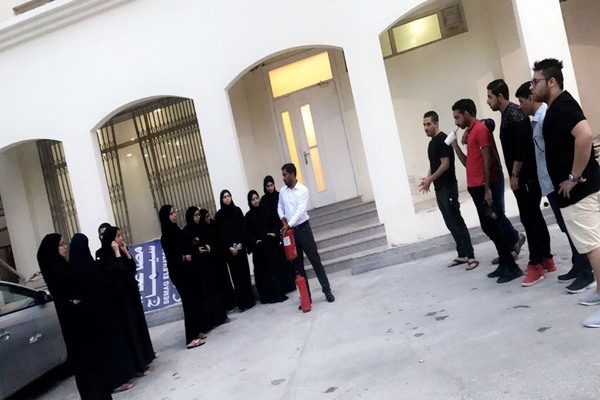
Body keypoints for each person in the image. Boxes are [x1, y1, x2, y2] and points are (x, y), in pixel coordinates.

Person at [530, 58, 600, 327]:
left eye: (535, 81)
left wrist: (574, 176)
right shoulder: (556, 107)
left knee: (592, 246)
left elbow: (585, 135)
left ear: (551, 82)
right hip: (579, 191)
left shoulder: (563, 106)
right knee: (593, 243)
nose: (532, 87)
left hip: (580, 191)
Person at [516, 81, 595, 293]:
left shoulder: (547, 117)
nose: (520, 106)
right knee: (567, 228)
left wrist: (573, 176)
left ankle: (586, 272)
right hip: (549, 182)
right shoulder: (538, 120)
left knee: (576, 230)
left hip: (557, 183)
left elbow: (579, 139)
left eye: (522, 101)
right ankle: (578, 266)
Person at [486, 79, 554, 287]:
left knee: (530, 219)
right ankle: (546, 258)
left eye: (490, 96)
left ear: (500, 96)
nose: (487, 101)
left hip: (526, 178)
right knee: (534, 217)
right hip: (525, 177)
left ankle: (536, 264)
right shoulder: (509, 114)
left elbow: (521, 149)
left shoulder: (514, 115)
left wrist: (515, 175)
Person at [450, 99, 523, 283]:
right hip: (475, 186)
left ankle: (511, 266)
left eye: (457, 117)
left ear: (466, 113)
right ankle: (504, 263)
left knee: (494, 225)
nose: (456, 122)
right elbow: (468, 163)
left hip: (483, 186)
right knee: (488, 226)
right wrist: (455, 146)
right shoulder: (471, 132)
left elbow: (487, 160)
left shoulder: (480, 129)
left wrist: (487, 188)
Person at [37, 234, 116, 399]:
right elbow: (69, 293)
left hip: (82, 319)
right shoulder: (55, 269)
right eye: (61, 244)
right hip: (75, 323)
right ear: (53, 249)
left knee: (93, 360)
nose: (65, 247)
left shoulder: (63, 265)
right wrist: (76, 298)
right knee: (86, 362)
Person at [69, 233, 137, 394]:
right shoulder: (85, 268)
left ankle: (117, 378)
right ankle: (115, 382)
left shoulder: (80, 267)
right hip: (99, 316)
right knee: (108, 349)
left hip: (101, 314)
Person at [418, 111, 478, 270]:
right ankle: (462, 254)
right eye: (424, 125)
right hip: (439, 189)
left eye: (428, 124)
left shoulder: (443, 140)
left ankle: (471, 256)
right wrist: (428, 179)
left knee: (456, 221)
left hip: (448, 187)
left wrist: (430, 179)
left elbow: (445, 165)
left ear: (436, 123)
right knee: (450, 223)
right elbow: (434, 164)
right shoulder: (432, 143)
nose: (426, 127)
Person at [98, 226, 156, 370]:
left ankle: (147, 356)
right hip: (121, 298)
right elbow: (119, 271)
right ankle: (139, 364)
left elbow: (132, 268)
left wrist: (125, 252)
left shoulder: (122, 251)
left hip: (131, 293)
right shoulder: (105, 256)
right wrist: (117, 253)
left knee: (139, 325)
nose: (121, 238)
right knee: (131, 329)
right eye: (118, 236)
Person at [278, 163, 335, 302]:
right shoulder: (283, 191)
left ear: (292, 174)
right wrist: (283, 218)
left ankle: (327, 290)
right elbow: (279, 206)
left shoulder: (303, 190)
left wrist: (289, 224)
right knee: (298, 266)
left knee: (315, 261)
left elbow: (300, 211)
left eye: (285, 175)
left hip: (303, 229)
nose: (283, 178)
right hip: (291, 233)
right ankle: (306, 297)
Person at [159, 205, 208, 348]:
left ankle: (196, 331)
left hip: (188, 270)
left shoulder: (177, 231)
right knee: (188, 303)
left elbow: (187, 244)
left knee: (194, 300)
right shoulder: (166, 237)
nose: (174, 215)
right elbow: (172, 256)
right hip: (179, 273)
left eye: (174, 212)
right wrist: (184, 257)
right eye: (171, 214)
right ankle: (190, 339)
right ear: (165, 217)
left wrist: (195, 249)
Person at [184, 206, 229, 329]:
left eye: (199, 215)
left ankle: (219, 317)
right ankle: (208, 322)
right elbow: (188, 249)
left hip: (208, 264)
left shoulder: (202, 227)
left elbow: (209, 239)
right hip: (198, 268)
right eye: (196, 215)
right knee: (204, 294)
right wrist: (196, 250)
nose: (198, 217)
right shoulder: (187, 232)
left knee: (214, 291)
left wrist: (208, 245)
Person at [215, 190, 256, 311]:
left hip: (240, 248)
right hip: (230, 251)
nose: (227, 198)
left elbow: (243, 228)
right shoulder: (219, 215)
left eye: (228, 196)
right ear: (221, 200)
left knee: (244, 274)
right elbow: (220, 234)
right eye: (224, 197)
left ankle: (249, 301)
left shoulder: (237, 211)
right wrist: (229, 247)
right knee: (236, 277)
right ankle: (242, 303)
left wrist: (241, 243)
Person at [245, 190, 289, 303]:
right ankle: (267, 296)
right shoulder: (248, 216)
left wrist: (274, 233)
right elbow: (247, 233)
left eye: (257, 198)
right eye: (253, 199)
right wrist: (255, 241)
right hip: (259, 250)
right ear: (250, 202)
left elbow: (275, 222)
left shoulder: (267, 210)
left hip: (270, 246)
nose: (255, 201)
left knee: (275, 270)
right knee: (263, 273)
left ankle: (279, 293)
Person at [262, 175, 296, 292]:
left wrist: (278, 230)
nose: (270, 188)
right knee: (278, 262)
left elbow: (281, 212)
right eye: (267, 186)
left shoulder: (278, 196)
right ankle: (283, 286)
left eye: (271, 185)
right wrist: (271, 232)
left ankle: (291, 283)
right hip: (271, 235)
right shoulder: (263, 200)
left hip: (282, 230)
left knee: (287, 258)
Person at [199, 208, 236, 311]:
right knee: (219, 282)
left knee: (226, 279)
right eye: (206, 217)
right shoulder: (202, 230)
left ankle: (232, 301)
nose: (208, 218)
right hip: (212, 260)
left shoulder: (214, 225)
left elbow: (220, 236)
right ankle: (225, 304)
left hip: (220, 257)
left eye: (209, 215)